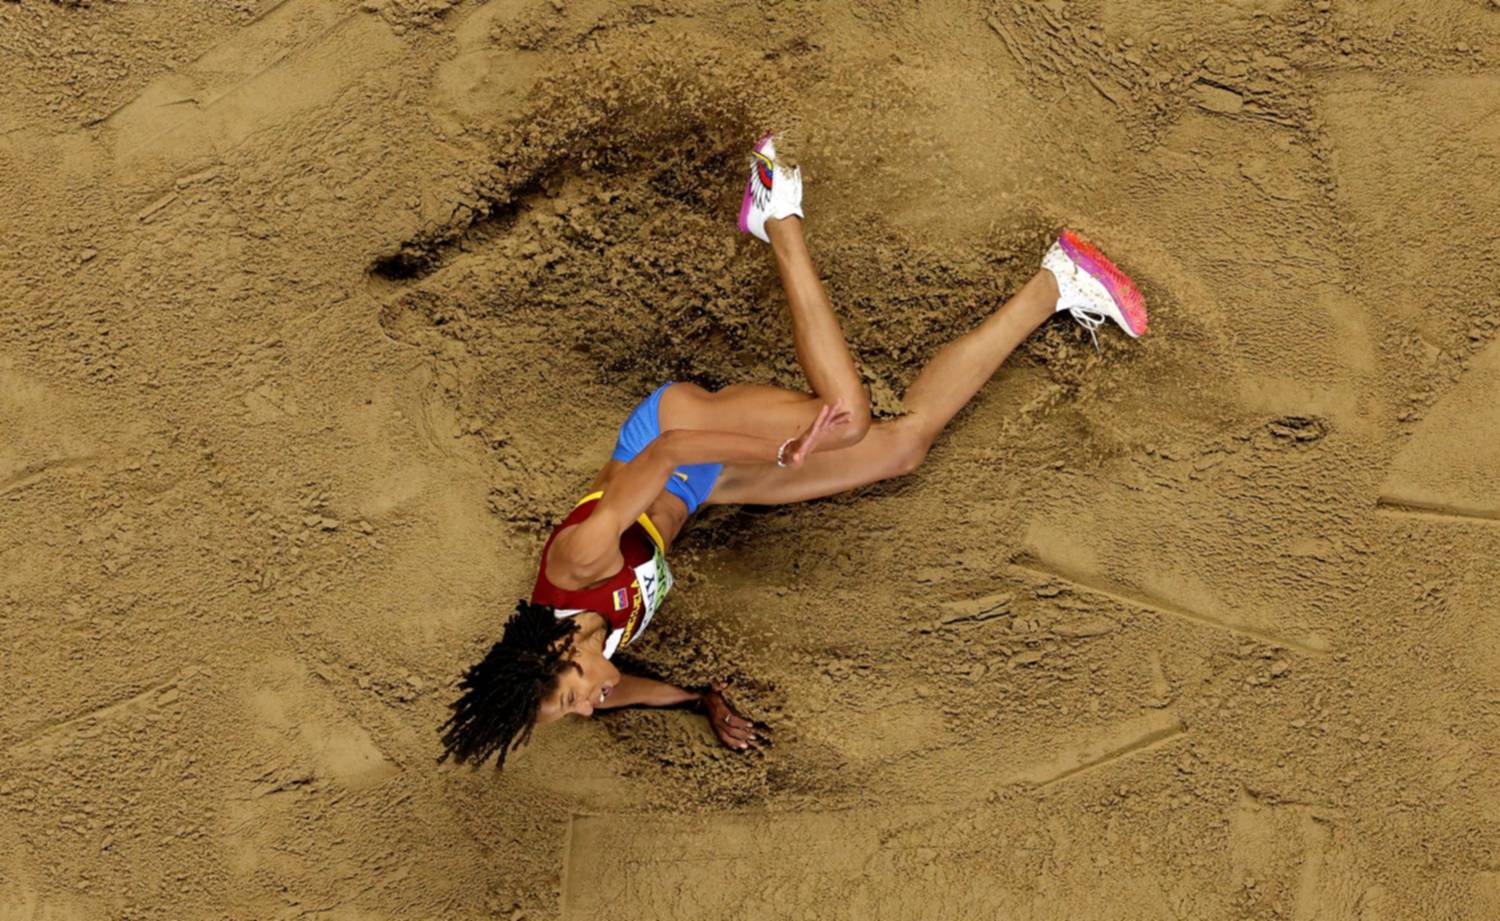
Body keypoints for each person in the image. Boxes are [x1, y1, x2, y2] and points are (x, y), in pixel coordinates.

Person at [438, 133, 1148, 769]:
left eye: (568, 701)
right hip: (700, 492)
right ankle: (1058, 281)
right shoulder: (597, 660)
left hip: (670, 440)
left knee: (843, 422)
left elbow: (673, 447)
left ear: (556, 653)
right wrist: (700, 700)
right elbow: (630, 693)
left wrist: (776, 452)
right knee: (901, 449)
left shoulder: (576, 566)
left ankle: (774, 206)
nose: (587, 709)